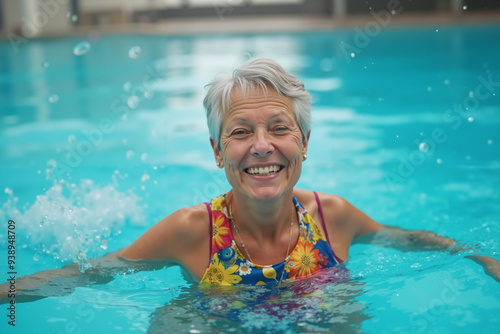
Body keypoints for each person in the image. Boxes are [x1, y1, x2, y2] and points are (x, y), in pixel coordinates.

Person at [1, 58, 499, 302]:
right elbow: (91, 272)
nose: (262, 145)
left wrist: (479, 256)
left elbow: (409, 240)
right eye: (240, 132)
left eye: (280, 128)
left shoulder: (333, 217)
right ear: (218, 153)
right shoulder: (190, 230)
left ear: (304, 144)